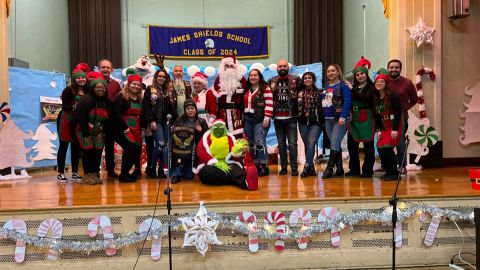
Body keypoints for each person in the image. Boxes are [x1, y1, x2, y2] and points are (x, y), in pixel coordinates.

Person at [195, 119, 258, 191]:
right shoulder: (206, 138)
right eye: (216, 127)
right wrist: (214, 162)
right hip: (212, 165)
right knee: (205, 173)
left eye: (220, 127)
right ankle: (234, 180)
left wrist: (236, 152)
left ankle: (247, 183)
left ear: (224, 128)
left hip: (228, 164)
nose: (218, 129)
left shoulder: (230, 138)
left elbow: (235, 159)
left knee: (235, 169)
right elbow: (200, 152)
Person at [56, 63, 89, 182]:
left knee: (76, 146)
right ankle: (60, 172)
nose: (81, 79)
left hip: (79, 122)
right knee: (63, 146)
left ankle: (75, 172)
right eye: (78, 77)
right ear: (75, 79)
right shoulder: (68, 90)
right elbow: (64, 106)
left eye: (83, 77)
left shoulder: (87, 91)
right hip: (66, 120)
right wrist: (76, 109)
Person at [75, 72, 109, 185]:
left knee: (97, 152)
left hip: (99, 130)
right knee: (88, 152)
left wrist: (103, 131)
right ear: (93, 88)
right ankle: (88, 175)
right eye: (97, 87)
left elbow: (109, 118)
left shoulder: (106, 101)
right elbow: (81, 118)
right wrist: (86, 134)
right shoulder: (85, 100)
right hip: (85, 130)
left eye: (102, 87)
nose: (100, 90)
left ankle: (95, 173)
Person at [269, 59, 300, 176]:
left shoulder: (296, 79)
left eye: (284, 66)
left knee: (292, 144)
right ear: (277, 68)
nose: (282, 68)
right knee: (281, 145)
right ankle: (283, 168)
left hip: (291, 117)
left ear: (288, 67)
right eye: (280, 66)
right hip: (277, 118)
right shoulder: (271, 80)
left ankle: (294, 168)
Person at [346, 57, 376, 178]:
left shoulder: (371, 88)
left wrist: (352, 89)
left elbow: (365, 98)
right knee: (351, 146)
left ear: (366, 74)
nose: (360, 76)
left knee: (368, 146)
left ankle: (367, 170)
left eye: (362, 73)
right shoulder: (352, 89)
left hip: (367, 118)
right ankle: (354, 169)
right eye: (357, 74)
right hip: (354, 119)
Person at [111, 74, 144, 182]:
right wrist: (124, 127)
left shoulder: (140, 99)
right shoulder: (121, 96)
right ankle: (124, 174)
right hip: (123, 128)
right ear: (128, 84)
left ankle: (128, 172)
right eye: (134, 84)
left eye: (138, 85)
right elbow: (116, 113)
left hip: (136, 127)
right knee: (130, 147)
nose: (136, 86)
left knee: (135, 150)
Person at [321, 64, 352, 178]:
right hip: (328, 119)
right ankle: (339, 169)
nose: (330, 73)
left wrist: (343, 116)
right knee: (335, 143)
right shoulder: (326, 86)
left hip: (340, 119)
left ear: (338, 72)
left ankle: (329, 169)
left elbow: (348, 101)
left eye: (333, 70)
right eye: (328, 71)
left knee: (334, 142)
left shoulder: (343, 85)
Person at [387, 59, 418, 173]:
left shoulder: (407, 83)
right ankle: (389, 166)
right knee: (387, 143)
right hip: (386, 118)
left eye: (396, 67)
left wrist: (403, 109)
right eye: (391, 67)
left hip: (401, 118)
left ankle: (402, 167)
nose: (394, 69)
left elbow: (414, 99)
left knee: (400, 143)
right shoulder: (385, 82)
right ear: (388, 69)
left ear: (400, 69)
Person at [373, 72, 405, 180]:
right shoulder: (376, 98)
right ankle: (388, 171)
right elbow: (377, 116)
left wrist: (395, 129)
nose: (379, 83)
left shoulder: (393, 96)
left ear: (386, 83)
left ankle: (394, 173)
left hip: (394, 125)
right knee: (380, 147)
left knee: (387, 148)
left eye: (381, 81)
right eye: (377, 82)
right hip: (384, 126)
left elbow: (397, 112)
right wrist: (379, 130)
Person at [143, 69, 174, 178]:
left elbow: (171, 108)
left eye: (163, 77)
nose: (161, 78)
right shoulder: (150, 89)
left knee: (166, 146)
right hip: (156, 121)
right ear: (156, 77)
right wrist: (151, 120)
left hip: (166, 121)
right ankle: (151, 168)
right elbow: (146, 106)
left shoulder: (167, 91)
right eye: (159, 76)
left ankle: (162, 170)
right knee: (160, 145)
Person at [243, 69, 273, 177]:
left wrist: (267, 118)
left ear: (259, 76)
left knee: (259, 141)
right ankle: (255, 164)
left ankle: (263, 165)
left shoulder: (265, 88)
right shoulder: (247, 89)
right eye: (251, 75)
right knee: (251, 143)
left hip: (260, 119)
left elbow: (269, 103)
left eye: (255, 75)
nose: (253, 77)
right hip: (248, 119)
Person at [170, 99, 209, 184]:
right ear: (185, 110)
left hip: (193, 152)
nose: (190, 110)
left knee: (188, 176)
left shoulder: (201, 121)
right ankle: (176, 173)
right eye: (188, 109)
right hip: (180, 150)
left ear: (195, 109)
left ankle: (181, 168)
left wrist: (201, 131)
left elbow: (207, 137)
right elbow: (174, 134)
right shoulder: (179, 120)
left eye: (192, 108)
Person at [98, 59, 122, 178]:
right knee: (96, 146)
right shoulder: (92, 82)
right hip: (96, 119)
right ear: (99, 69)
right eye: (103, 67)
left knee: (109, 146)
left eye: (108, 67)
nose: (105, 69)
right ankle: (93, 170)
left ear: (111, 70)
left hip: (111, 120)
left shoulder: (116, 84)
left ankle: (110, 170)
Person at [297, 72, 324, 178]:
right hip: (302, 122)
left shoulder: (319, 92)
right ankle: (311, 167)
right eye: (305, 78)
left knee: (311, 142)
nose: (307, 79)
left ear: (313, 79)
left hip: (316, 122)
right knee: (308, 145)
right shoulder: (299, 92)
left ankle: (306, 166)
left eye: (309, 78)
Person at [214, 56, 247, 138]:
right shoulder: (219, 77)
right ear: (223, 67)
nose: (229, 68)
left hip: (237, 112)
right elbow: (215, 90)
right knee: (224, 134)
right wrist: (222, 92)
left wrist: (237, 91)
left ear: (235, 66)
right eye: (227, 66)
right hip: (222, 112)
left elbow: (246, 92)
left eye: (231, 66)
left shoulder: (241, 78)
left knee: (238, 134)